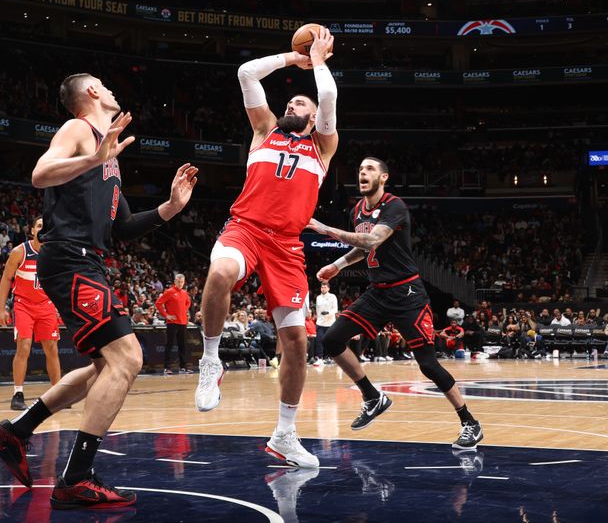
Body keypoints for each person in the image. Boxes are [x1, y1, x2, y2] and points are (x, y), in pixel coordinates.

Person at [0, 73, 197, 509]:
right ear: (92, 93)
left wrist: (171, 209)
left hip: (87, 259)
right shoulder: (79, 130)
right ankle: (76, 477)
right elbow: (40, 174)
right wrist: (96, 155)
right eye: (104, 83)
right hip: (70, 257)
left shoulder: (108, 152)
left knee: (104, 367)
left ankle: (15, 432)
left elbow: (123, 227)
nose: (112, 88)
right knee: (128, 358)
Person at [194, 27, 337, 468]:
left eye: (301, 104)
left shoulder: (323, 147)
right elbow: (246, 73)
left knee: (296, 343)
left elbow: (328, 96)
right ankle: (211, 362)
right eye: (290, 102)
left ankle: (285, 435)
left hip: (287, 248)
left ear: (313, 119)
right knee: (219, 273)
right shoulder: (264, 130)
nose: (292, 104)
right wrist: (294, 60)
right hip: (247, 228)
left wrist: (319, 63)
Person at [308, 156, 484, 450]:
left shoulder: (394, 206)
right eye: (360, 168)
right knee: (333, 339)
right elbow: (360, 248)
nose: (363, 172)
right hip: (378, 292)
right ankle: (372, 396)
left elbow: (372, 241)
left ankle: (469, 422)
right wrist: (338, 265)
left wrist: (324, 229)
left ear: (383, 177)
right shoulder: (357, 211)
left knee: (428, 365)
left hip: (407, 294)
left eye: (370, 169)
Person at [0, 216, 62, 411]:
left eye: (46, 226)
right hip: (23, 304)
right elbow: (6, 279)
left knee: (52, 349)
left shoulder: (55, 254)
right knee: (23, 347)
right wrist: (1, 308)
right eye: (39, 225)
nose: (42, 229)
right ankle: (18, 394)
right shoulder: (20, 252)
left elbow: (60, 283)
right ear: (33, 230)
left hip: (47, 305)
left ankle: (57, 393)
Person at [154, 273, 192, 375]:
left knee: (182, 346)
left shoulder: (184, 293)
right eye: (178, 282)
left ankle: (183, 367)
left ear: (184, 283)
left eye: (182, 282)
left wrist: (184, 310)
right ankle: (167, 368)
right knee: (169, 345)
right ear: (175, 281)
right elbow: (158, 303)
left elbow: (188, 302)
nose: (180, 284)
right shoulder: (169, 292)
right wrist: (166, 315)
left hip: (183, 322)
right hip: (172, 323)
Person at [314, 281, 338, 363]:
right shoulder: (318, 297)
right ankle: (320, 358)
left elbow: (335, 309)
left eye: (324, 287)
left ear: (328, 288)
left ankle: (331, 357)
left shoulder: (333, 297)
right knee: (319, 340)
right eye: (322, 287)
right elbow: (317, 310)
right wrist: (319, 318)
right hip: (320, 322)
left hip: (330, 323)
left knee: (330, 341)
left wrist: (327, 312)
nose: (323, 289)